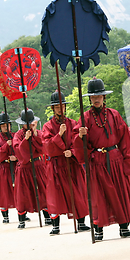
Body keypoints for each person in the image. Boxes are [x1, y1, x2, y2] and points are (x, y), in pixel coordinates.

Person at [73, 78, 130, 241]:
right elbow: (78, 143)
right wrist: (80, 136)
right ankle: (98, 228)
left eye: (99, 96)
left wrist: (128, 162)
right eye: (93, 97)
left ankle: (124, 227)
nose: (96, 99)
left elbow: (125, 140)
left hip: (115, 159)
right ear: (89, 98)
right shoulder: (85, 118)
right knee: (98, 195)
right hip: (97, 161)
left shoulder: (114, 115)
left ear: (104, 97)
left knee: (119, 192)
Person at [42, 91, 91, 235]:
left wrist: (73, 152)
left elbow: (79, 142)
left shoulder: (73, 123)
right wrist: (59, 135)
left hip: (72, 164)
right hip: (56, 165)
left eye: (62, 106)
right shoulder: (47, 126)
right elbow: (46, 147)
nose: (59, 109)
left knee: (77, 192)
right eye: (56, 106)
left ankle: (81, 222)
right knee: (54, 195)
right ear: (53, 108)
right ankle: (55, 225)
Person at [13, 109, 51, 228]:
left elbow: (43, 148)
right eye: (26, 123)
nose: (28, 125)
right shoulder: (18, 135)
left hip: (38, 165)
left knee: (43, 190)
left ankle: (47, 216)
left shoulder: (38, 133)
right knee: (22, 193)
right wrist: (25, 140)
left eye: (30, 122)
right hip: (24, 167)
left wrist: (34, 135)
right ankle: (22, 219)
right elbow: (19, 152)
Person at [0, 112, 17, 223]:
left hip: (15, 166)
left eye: (7, 125)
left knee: (19, 189)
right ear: (0, 127)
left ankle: (22, 212)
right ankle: (5, 215)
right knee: (3, 192)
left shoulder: (15, 136)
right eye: (3, 125)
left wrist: (16, 157)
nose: (5, 127)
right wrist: (5, 145)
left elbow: (22, 150)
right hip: (3, 168)